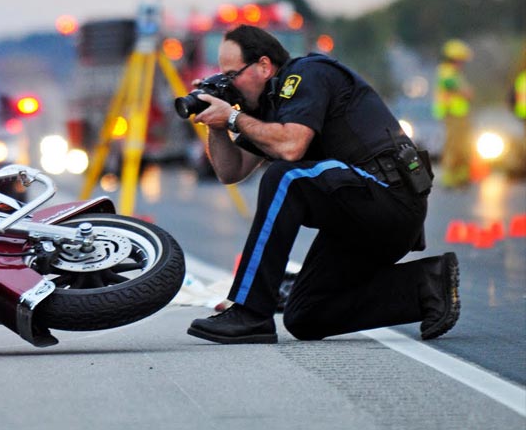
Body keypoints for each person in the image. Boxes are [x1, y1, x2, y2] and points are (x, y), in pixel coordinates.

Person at [185, 25, 459, 344]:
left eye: (232, 75)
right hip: (356, 219)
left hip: (389, 197)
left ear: (263, 65)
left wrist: (232, 118)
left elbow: (291, 147)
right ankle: (426, 284)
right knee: (306, 315)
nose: (228, 84)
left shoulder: (306, 74)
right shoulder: (267, 111)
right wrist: (215, 123)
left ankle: (249, 312)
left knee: (284, 177)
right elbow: (230, 171)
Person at [433, 39, 474, 188]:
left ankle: (461, 176)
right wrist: (466, 92)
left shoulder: (455, 72)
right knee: (453, 146)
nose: (463, 63)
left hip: (459, 114)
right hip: (452, 114)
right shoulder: (447, 71)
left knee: (462, 145)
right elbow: (453, 87)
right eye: (461, 60)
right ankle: (451, 177)